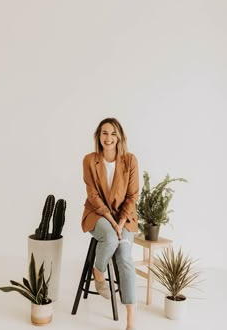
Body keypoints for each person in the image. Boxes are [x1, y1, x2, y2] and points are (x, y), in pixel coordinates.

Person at [81, 117, 139, 330]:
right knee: (112, 237)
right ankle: (99, 271)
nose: (109, 138)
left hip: (125, 217)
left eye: (113, 133)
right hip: (97, 214)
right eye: (104, 133)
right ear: (99, 136)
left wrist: (121, 221)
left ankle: (131, 322)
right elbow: (93, 195)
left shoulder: (130, 160)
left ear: (119, 136)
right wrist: (112, 223)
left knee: (125, 258)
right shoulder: (89, 160)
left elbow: (132, 196)